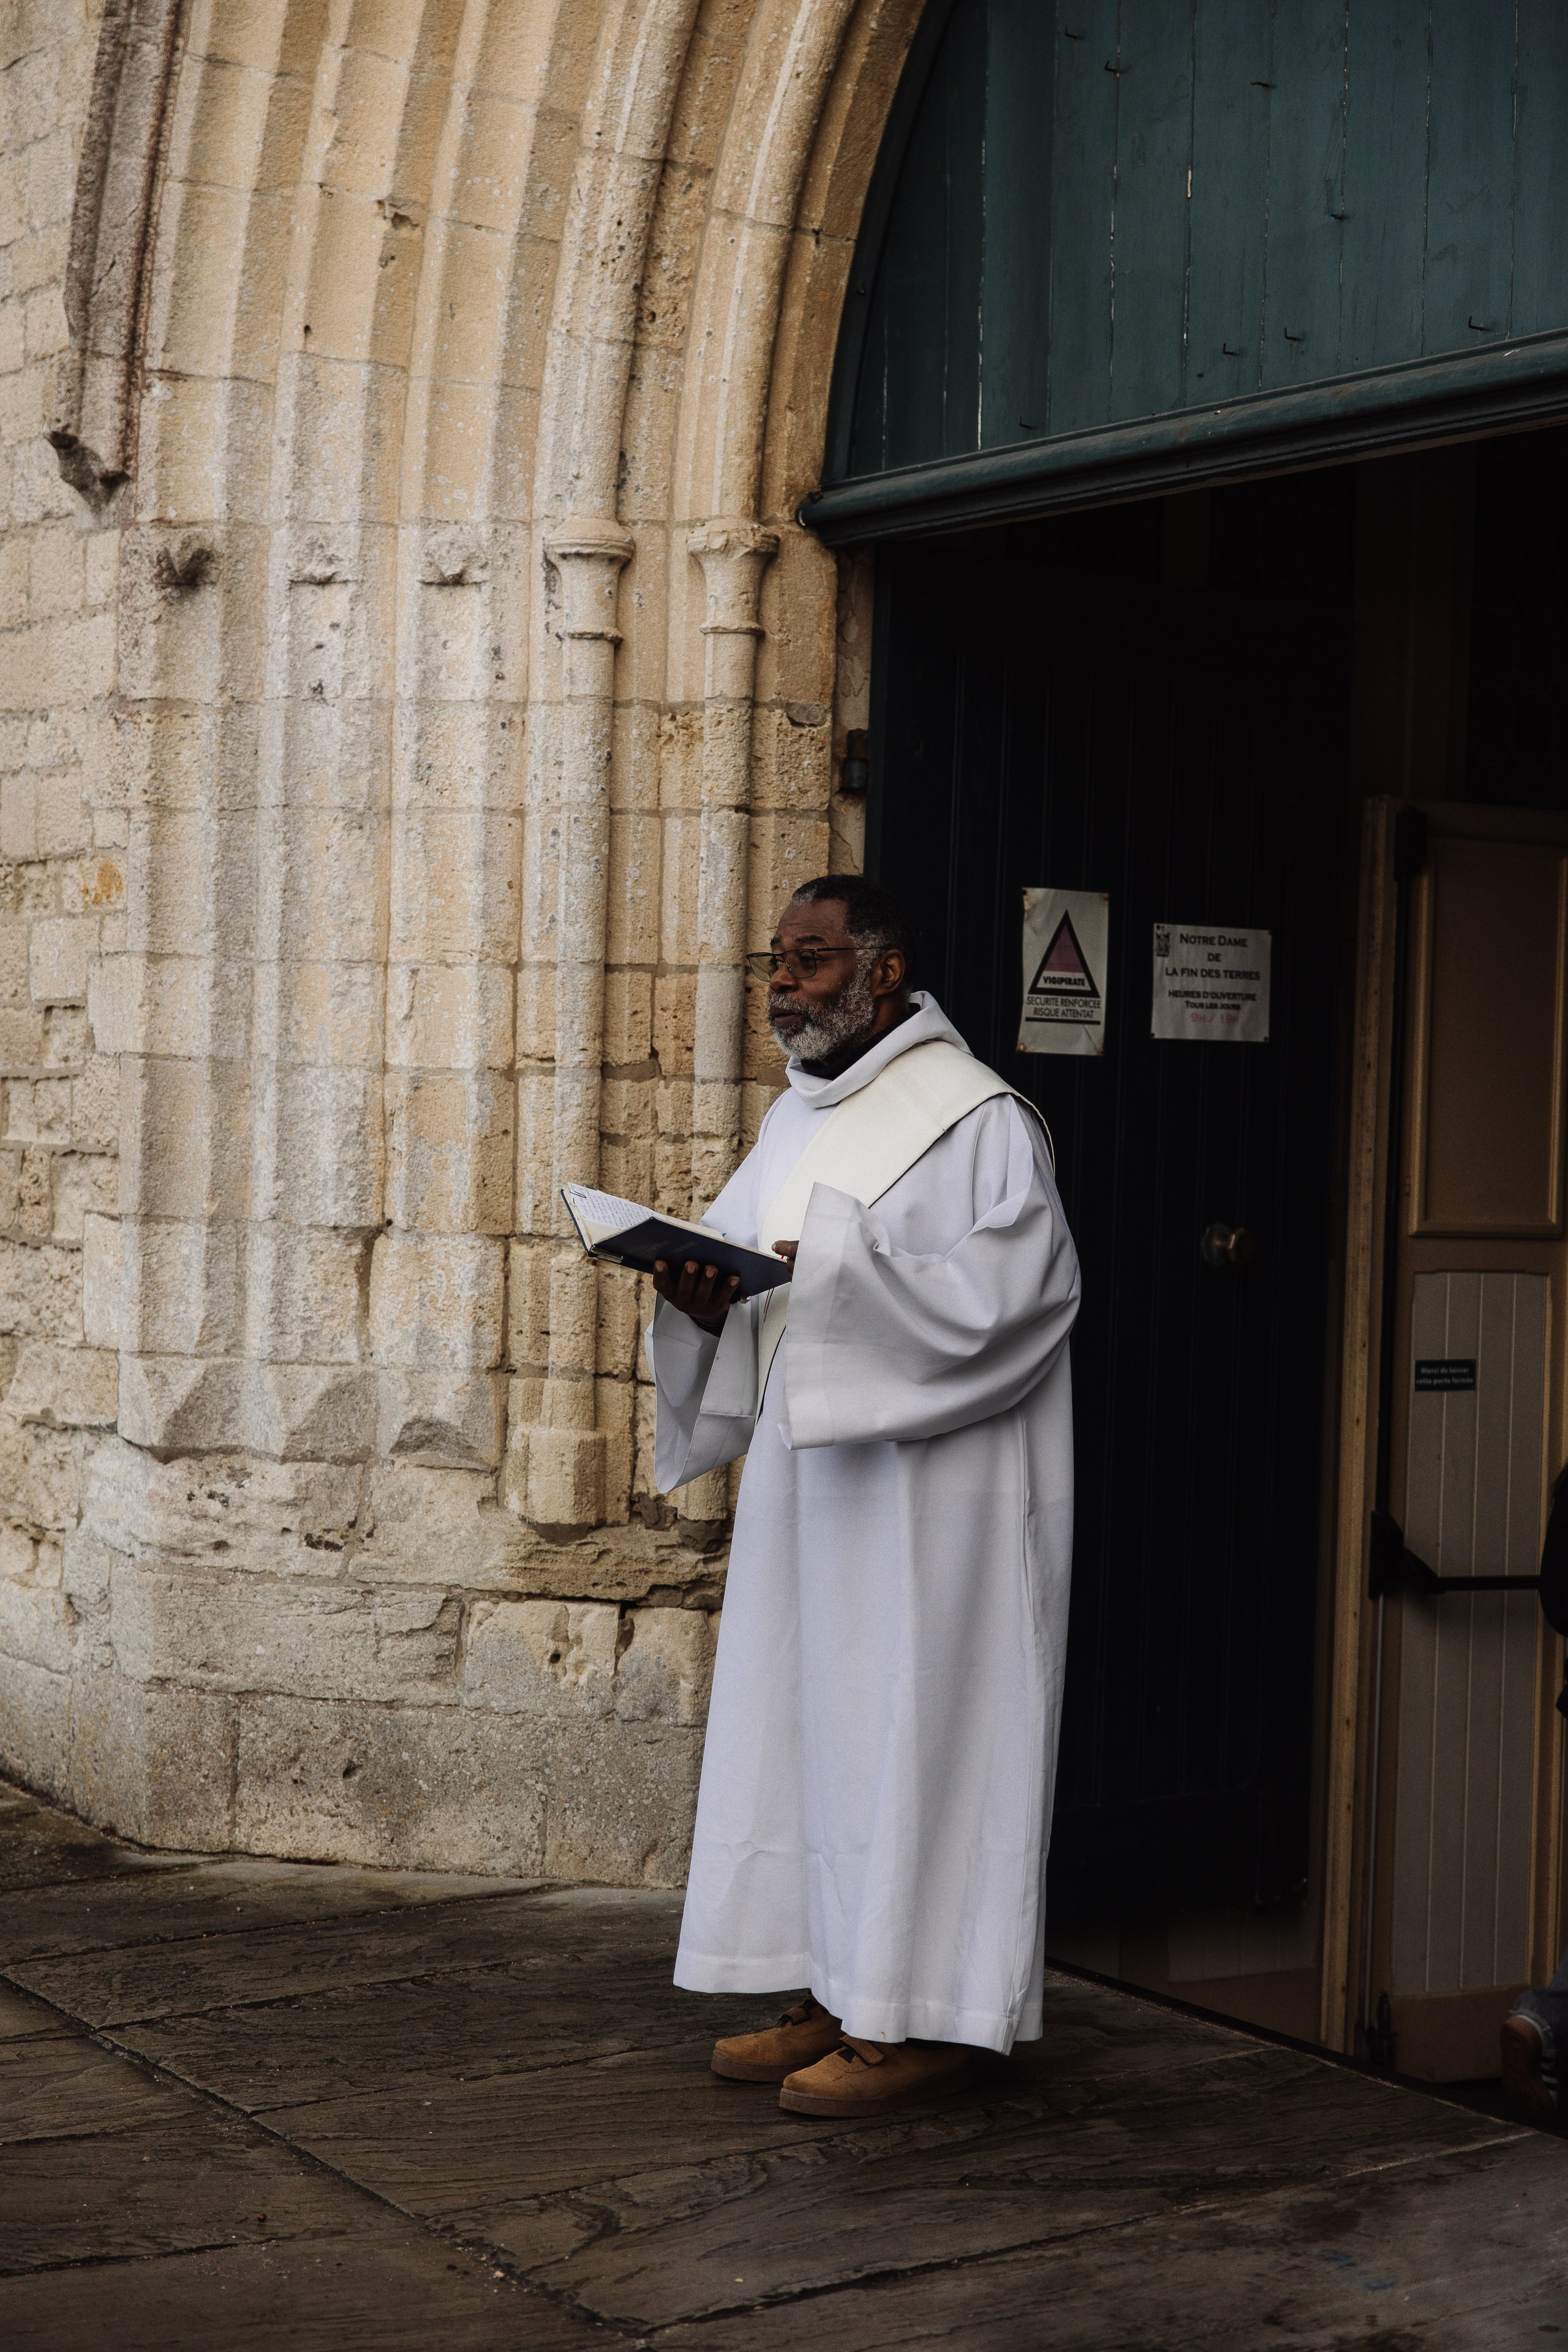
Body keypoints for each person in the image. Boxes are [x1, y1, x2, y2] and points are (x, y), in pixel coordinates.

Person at [645, 876, 1080, 2118]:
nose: (781, 981)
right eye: (775, 959)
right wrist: (697, 1293)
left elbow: (1022, 1300)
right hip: (812, 1491)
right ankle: (833, 1988)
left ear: (882, 973)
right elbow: (741, 1259)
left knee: (915, 1733)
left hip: (938, 1506)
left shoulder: (976, 1118)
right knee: (812, 1727)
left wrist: (826, 1275)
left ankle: (926, 2017)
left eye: (811, 960)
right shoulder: (797, 1119)